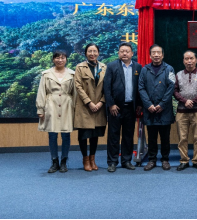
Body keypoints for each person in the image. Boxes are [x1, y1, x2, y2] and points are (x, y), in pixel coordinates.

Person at [103, 42, 143, 173]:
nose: (124, 53)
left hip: (130, 108)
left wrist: (139, 105)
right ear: (118, 53)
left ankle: (126, 160)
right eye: (122, 51)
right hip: (116, 108)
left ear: (132, 53)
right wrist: (111, 104)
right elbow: (107, 88)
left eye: (127, 51)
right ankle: (112, 162)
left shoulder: (138, 67)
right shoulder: (112, 66)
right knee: (113, 136)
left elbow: (140, 88)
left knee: (128, 135)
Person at [36, 50, 75, 174]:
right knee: (52, 135)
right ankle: (54, 161)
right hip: (51, 105)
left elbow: (75, 93)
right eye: (57, 58)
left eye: (63, 58)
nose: (60, 60)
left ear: (66, 59)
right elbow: (41, 92)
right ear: (53, 59)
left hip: (67, 105)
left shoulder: (72, 74)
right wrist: (40, 109)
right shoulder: (46, 74)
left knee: (66, 135)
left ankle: (64, 161)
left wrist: (75, 109)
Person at [139, 44, 176, 171]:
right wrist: (148, 104)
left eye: (158, 52)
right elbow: (141, 88)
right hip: (150, 110)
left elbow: (171, 87)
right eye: (153, 53)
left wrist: (162, 104)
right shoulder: (144, 70)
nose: (156, 55)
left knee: (165, 137)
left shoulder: (169, 69)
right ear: (150, 55)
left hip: (164, 110)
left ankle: (165, 159)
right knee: (152, 136)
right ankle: (152, 159)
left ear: (162, 55)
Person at [74, 43, 108, 172]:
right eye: (89, 51)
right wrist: (89, 102)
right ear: (85, 53)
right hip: (85, 107)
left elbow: (108, 87)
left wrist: (101, 102)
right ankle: (85, 159)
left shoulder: (104, 67)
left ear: (98, 53)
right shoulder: (80, 67)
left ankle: (93, 159)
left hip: (99, 107)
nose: (92, 53)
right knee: (83, 135)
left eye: (94, 51)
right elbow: (78, 86)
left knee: (95, 135)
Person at [174, 51, 197, 171]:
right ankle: (184, 160)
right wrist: (184, 101)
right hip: (182, 112)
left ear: (195, 60)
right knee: (182, 138)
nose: (189, 61)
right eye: (186, 59)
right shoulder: (178, 74)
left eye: (191, 58)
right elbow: (175, 91)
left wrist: (193, 101)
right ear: (183, 61)